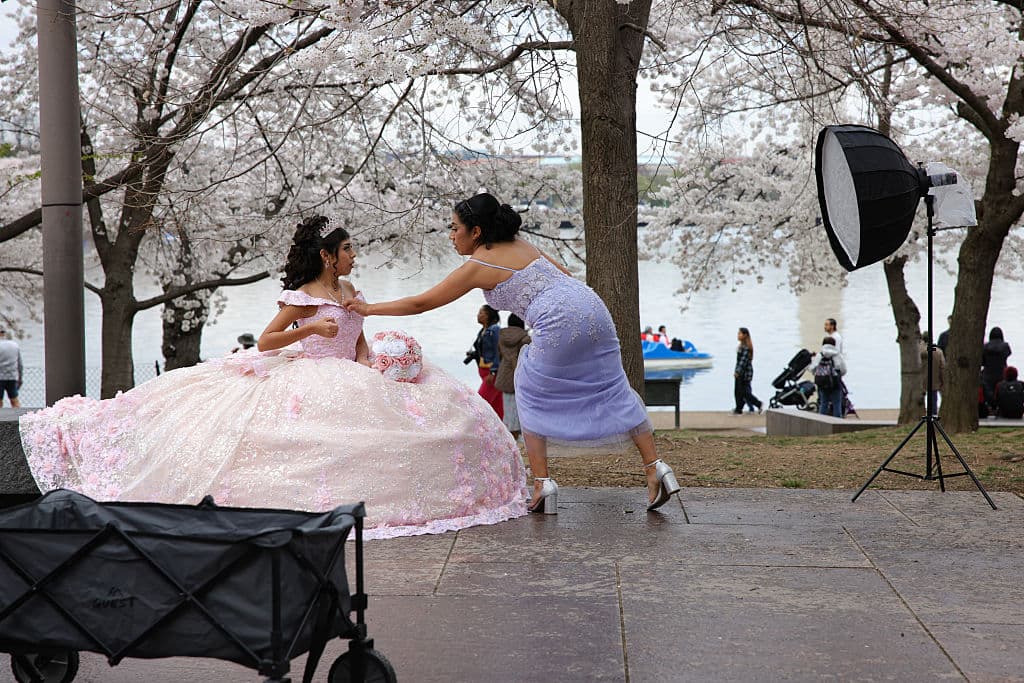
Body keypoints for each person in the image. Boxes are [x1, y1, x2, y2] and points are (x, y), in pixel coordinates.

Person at [19, 216, 527, 539]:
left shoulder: (350, 287)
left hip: (352, 375)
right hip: (309, 375)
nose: (354, 255)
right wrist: (310, 326)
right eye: (347, 248)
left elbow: (358, 338)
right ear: (327, 255)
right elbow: (266, 341)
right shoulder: (299, 298)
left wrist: (373, 362)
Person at [343, 192, 681, 513]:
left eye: (454, 228)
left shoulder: (478, 265)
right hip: (592, 307)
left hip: (559, 317)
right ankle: (656, 467)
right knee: (613, 386)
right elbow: (563, 275)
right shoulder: (523, 244)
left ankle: (543, 485)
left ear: (475, 232)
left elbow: (422, 302)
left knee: (528, 389)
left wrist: (368, 309)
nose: (450, 235)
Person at [495, 313, 531, 441]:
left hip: (505, 374)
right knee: (519, 406)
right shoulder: (525, 339)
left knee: (507, 405)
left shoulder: (501, 336)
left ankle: (509, 433)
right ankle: (519, 435)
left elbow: (499, 356)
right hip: (520, 373)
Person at [470, 304, 503, 418]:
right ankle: (498, 433)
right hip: (484, 371)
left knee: (479, 404)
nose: (478, 315)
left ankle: (475, 432)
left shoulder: (494, 330)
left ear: (488, 315)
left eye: (481, 313)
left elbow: (498, 351)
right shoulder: (483, 330)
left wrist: (493, 372)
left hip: (491, 373)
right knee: (496, 405)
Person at [814, 335, 847, 418]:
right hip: (835, 383)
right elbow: (843, 370)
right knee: (837, 403)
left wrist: (821, 374)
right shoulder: (837, 355)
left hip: (822, 383)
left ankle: (821, 422)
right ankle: (837, 422)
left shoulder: (820, 355)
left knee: (823, 403)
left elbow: (812, 368)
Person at [980, 326, 1012, 412]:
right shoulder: (1005, 346)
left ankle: (990, 407)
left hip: (988, 374)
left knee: (988, 392)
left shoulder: (985, 347)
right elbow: (1008, 354)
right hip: (1002, 373)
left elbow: (982, 361)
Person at [732, 327, 762, 414]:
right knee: (738, 392)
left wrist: (737, 371)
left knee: (743, 392)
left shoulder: (746, 347)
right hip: (742, 372)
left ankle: (759, 404)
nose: (738, 335)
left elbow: (743, 361)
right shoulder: (742, 346)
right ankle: (739, 409)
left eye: (739, 333)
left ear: (745, 335)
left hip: (744, 373)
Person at [920, 330, 945, 417]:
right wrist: (943, 380)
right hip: (934, 379)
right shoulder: (938, 351)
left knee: (920, 399)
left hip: (921, 379)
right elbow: (942, 367)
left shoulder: (919, 351)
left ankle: (921, 414)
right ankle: (933, 415)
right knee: (933, 399)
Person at [0, 327, 23, 408]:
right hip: (12, 376)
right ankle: (18, 418)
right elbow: (19, 364)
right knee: (14, 400)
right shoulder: (15, 345)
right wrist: (20, 378)